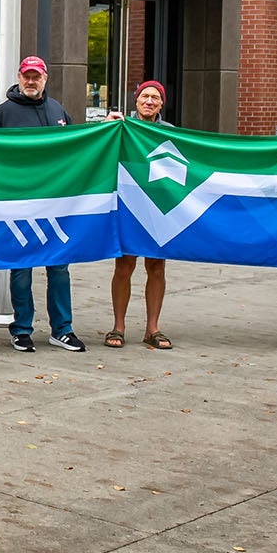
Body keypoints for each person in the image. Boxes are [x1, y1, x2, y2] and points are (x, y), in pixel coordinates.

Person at [0, 55, 87, 354]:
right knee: (22, 268)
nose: (31, 81)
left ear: (46, 78)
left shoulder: (58, 110)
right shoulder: (3, 114)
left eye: (37, 76)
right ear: (19, 77)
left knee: (59, 267)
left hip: (56, 203)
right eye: (26, 76)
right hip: (20, 203)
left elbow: (75, 148)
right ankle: (21, 330)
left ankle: (63, 329)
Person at [106, 80, 173, 350]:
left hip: (159, 207)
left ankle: (152, 329)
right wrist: (106, 125)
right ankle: (118, 326)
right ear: (136, 101)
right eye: (145, 96)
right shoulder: (121, 127)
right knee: (124, 266)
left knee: (156, 267)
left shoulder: (171, 133)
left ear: (161, 103)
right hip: (129, 205)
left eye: (155, 97)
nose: (149, 101)